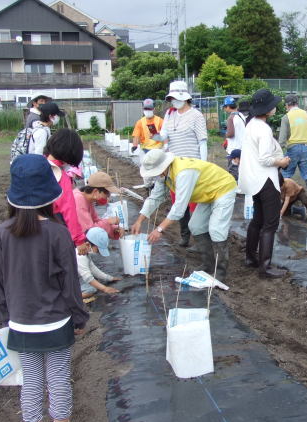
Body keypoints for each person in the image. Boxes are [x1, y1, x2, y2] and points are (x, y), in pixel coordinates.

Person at [0, 154, 87, 422]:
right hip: (56, 323)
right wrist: (79, 318)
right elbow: (70, 285)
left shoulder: (2, 233)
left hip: (21, 322)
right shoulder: (58, 233)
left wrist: (6, 316)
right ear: (49, 193)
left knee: (31, 381)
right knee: (58, 380)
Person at [130, 150, 237, 281]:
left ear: (163, 166)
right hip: (207, 193)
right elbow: (154, 198)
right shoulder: (163, 176)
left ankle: (220, 271)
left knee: (216, 229)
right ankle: (208, 265)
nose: (154, 175)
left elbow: (179, 208)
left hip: (223, 188)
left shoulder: (184, 172)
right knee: (196, 226)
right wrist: (139, 220)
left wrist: (159, 229)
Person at [239, 89, 291, 279]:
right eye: (273, 106)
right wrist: (282, 162)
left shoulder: (251, 124)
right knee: (270, 224)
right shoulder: (264, 129)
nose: (275, 108)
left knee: (257, 220)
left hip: (253, 180)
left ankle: (251, 258)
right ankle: (266, 267)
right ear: (268, 109)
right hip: (266, 180)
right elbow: (265, 159)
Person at [158, 80, 208, 248]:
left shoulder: (196, 115)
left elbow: (202, 142)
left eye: (176, 98)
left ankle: (199, 239)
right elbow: (164, 134)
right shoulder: (169, 114)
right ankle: (185, 236)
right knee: (179, 203)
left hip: (192, 165)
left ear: (185, 98)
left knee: (194, 204)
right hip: (174, 167)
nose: (173, 101)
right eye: (171, 98)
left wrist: (203, 166)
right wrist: (160, 138)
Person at [44, 129, 88, 255]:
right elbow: (68, 208)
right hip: (52, 224)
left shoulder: (39, 163)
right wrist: (79, 239)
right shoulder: (60, 175)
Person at [278, 94, 307, 191]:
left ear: (287, 105)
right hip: (306, 147)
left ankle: (284, 198)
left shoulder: (286, 117)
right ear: (297, 103)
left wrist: (282, 148)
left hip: (293, 148)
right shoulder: (306, 114)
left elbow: (282, 140)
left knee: (286, 174)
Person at [73, 171, 122, 239]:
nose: (107, 198)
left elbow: (96, 220)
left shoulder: (88, 200)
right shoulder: (78, 200)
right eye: (106, 195)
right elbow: (90, 231)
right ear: (96, 191)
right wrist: (108, 221)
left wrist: (114, 229)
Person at [77, 227, 121, 299]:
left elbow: (93, 269)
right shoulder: (80, 256)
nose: (98, 252)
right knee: (91, 289)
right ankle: (70, 299)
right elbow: (87, 277)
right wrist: (105, 288)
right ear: (88, 244)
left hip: (72, 278)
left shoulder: (86, 253)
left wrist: (109, 278)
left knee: (95, 283)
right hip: (64, 281)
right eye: (98, 249)